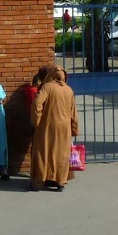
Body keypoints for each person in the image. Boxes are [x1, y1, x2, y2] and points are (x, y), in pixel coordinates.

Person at [30, 63, 79, 192]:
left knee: (44, 152)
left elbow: (37, 103)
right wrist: (74, 128)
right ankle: (60, 181)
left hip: (47, 126)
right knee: (61, 154)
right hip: (64, 128)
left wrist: (37, 120)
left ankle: (39, 181)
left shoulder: (47, 87)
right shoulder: (69, 90)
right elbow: (73, 111)